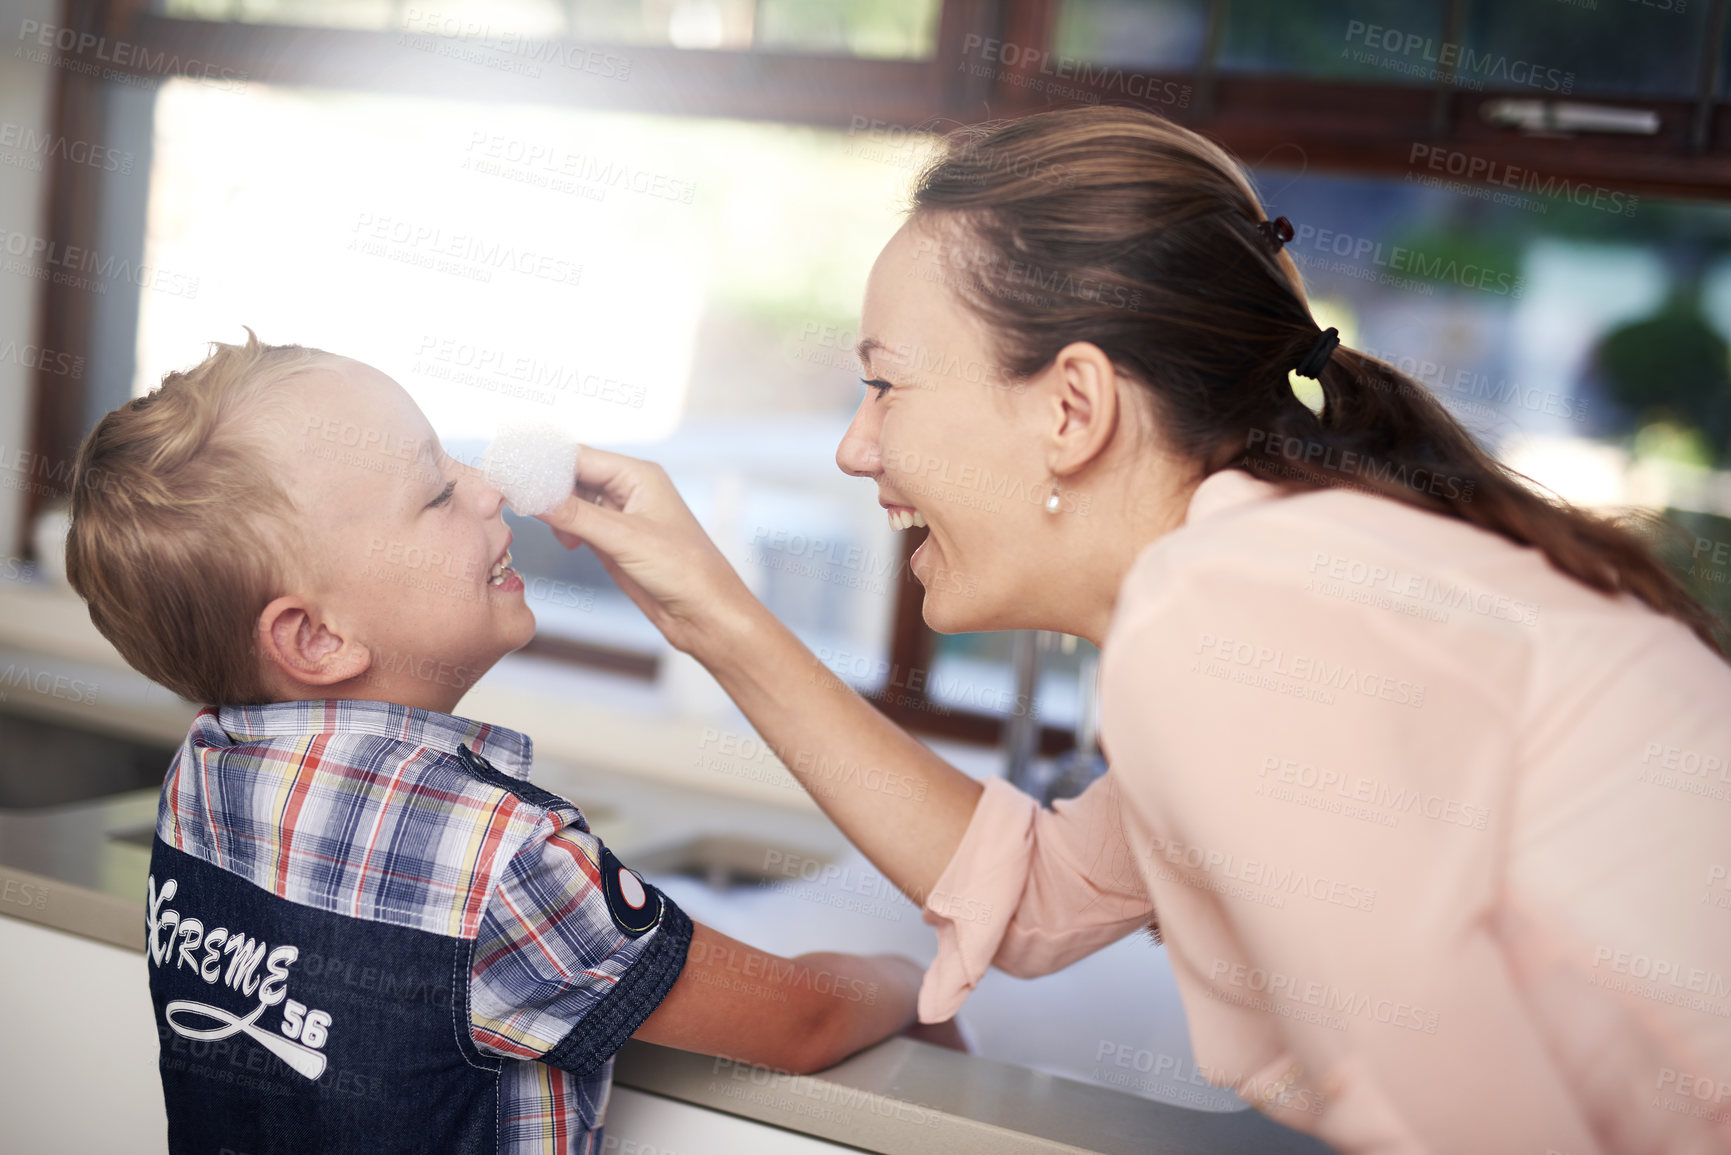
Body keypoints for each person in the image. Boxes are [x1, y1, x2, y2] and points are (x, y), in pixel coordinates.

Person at [531, 106, 1731, 1154]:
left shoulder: (1227, 612)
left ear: (1073, 408)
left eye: (886, 384)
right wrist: (713, 610)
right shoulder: (1262, 575)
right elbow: (1045, 896)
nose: (855, 446)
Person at [63, 333, 930, 1155]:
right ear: (317, 640)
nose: (488, 487)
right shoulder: (504, 854)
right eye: (437, 491)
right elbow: (801, 1020)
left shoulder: (204, 771)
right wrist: (904, 982)